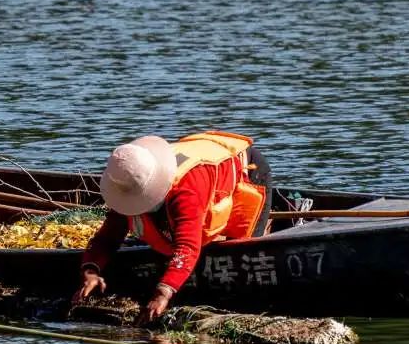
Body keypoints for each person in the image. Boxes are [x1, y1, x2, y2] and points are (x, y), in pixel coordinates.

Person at [74, 131, 271, 323]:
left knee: (241, 249)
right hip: (200, 150)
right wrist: (90, 271)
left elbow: (187, 247)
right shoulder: (128, 184)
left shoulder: (185, 192)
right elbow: (107, 238)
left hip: (245, 167)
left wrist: (162, 293)